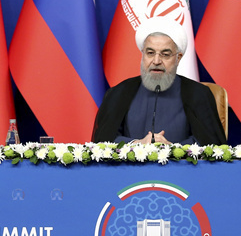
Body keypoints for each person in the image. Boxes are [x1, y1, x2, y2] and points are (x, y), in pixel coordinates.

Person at [92, 17, 227, 145]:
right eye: (150, 53)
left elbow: (211, 144)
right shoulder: (119, 92)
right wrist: (137, 144)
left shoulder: (198, 94)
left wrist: (171, 149)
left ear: (178, 58)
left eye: (165, 54)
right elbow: (103, 141)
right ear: (143, 55)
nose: (156, 61)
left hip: (181, 163)